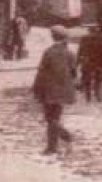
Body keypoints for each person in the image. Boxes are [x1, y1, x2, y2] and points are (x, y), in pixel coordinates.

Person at [31, 24, 76, 154]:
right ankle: (53, 146)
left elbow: (41, 72)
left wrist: (36, 89)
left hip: (49, 90)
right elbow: (74, 73)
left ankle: (62, 139)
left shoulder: (49, 52)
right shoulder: (69, 53)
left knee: (50, 118)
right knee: (55, 117)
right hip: (63, 91)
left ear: (52, 37)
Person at [76, 27, 102, 103]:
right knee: (96, 79)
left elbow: (80, 51)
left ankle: (90, 96)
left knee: (89, 79)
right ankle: (95, 95)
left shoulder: (85, 39)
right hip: (97, 62)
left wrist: (77, 62)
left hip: (90, 62)